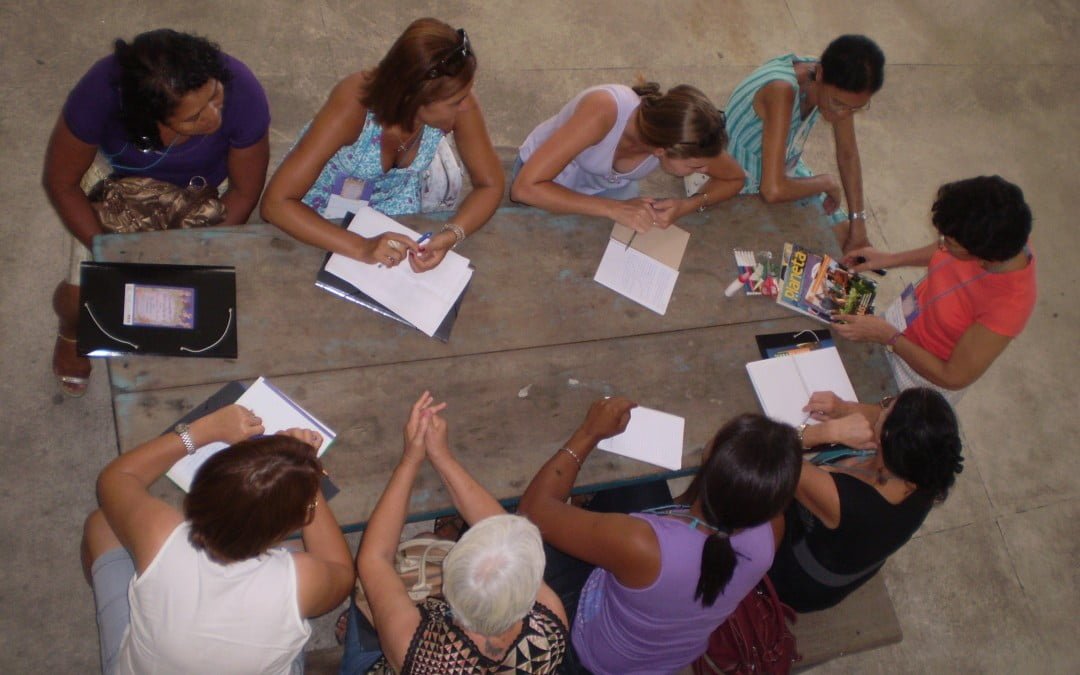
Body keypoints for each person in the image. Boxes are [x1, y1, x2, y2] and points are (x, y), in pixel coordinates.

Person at [45, 29, 271, 397]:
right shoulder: (97, 95)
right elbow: (62, 184)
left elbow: (245, 190)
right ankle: (71, 332)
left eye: (214, 96)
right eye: (194, 117)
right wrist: (110, 257)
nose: (215, 116)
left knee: (193, 302)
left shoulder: (242, 91)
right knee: (83, 294)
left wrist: (198, 256)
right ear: (149, 121)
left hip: (198, 194)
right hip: (113, 188)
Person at [517, 398, 801, 674]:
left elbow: (532, 511)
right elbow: (687, 516)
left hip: (589, 658)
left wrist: (589, 432)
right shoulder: (770, 531)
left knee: (508, 535)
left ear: (709, 452)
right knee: (634, 485)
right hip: (661, 659)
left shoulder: (642, 544)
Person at [80, 404, 355, 674]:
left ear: (196, 494)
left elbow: (116, 477)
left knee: (103, 523)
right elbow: (341, 572)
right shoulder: (299, 581)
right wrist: (305, 479)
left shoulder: (159, 535)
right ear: (286, 525)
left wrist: (204, 430)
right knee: (300, 560)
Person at [344, 392, 568, 674]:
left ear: (447, 591)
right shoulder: (550, 626)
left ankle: (358, 628)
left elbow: (374, 558)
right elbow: (501, 530)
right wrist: (441, 456)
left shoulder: (421, 654)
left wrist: (411, 459)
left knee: (370, 590)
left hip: (400, 656)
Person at [261, 18, 503, 271]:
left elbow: (490, 184)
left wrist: (452, 234)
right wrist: (362, 247)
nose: (467, 106)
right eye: (455, 102)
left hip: (394, 209)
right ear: (415, 97)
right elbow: (276, 203)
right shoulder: (352, 105)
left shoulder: (458, 97)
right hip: (319, 210)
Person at [838, 175, 1036, 404]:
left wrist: (890, 338)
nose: (941, 245)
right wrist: (888, 259)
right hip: (899, 324)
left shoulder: (1010, 305)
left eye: (949, 243)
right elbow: (945, 248)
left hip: (918, 376)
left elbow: (952, 376)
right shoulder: (998, 230)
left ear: (981, 254)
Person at [769, 387, 963, 612]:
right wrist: (843, 408)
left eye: (887, 407)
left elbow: (769, 456)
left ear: (886, 435)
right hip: (842, 555)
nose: (878, 411)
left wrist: (822, 433)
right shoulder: (926, 470)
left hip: (794, 578)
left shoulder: (849, 502)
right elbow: (883, 421)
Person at [686, 34, 884, 251]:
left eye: (854, 108)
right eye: (838, 103)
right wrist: (827, 183)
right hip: (737, 169)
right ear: (820, 73)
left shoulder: (830, 82)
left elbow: (847, 153)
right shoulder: (781, 90)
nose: (843, 114)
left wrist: (859, 222)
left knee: (852, 245)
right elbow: (772, 190)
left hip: (780, 162)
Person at [510, 82, 746, 232]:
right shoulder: (604, 110)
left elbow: (735, 179)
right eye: (696, 166)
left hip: (603, 188)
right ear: (660, 151)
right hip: (548, 180)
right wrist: (613, 208)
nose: (704, 171)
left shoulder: (681, 136)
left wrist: (687, 205)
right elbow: (524, 189)